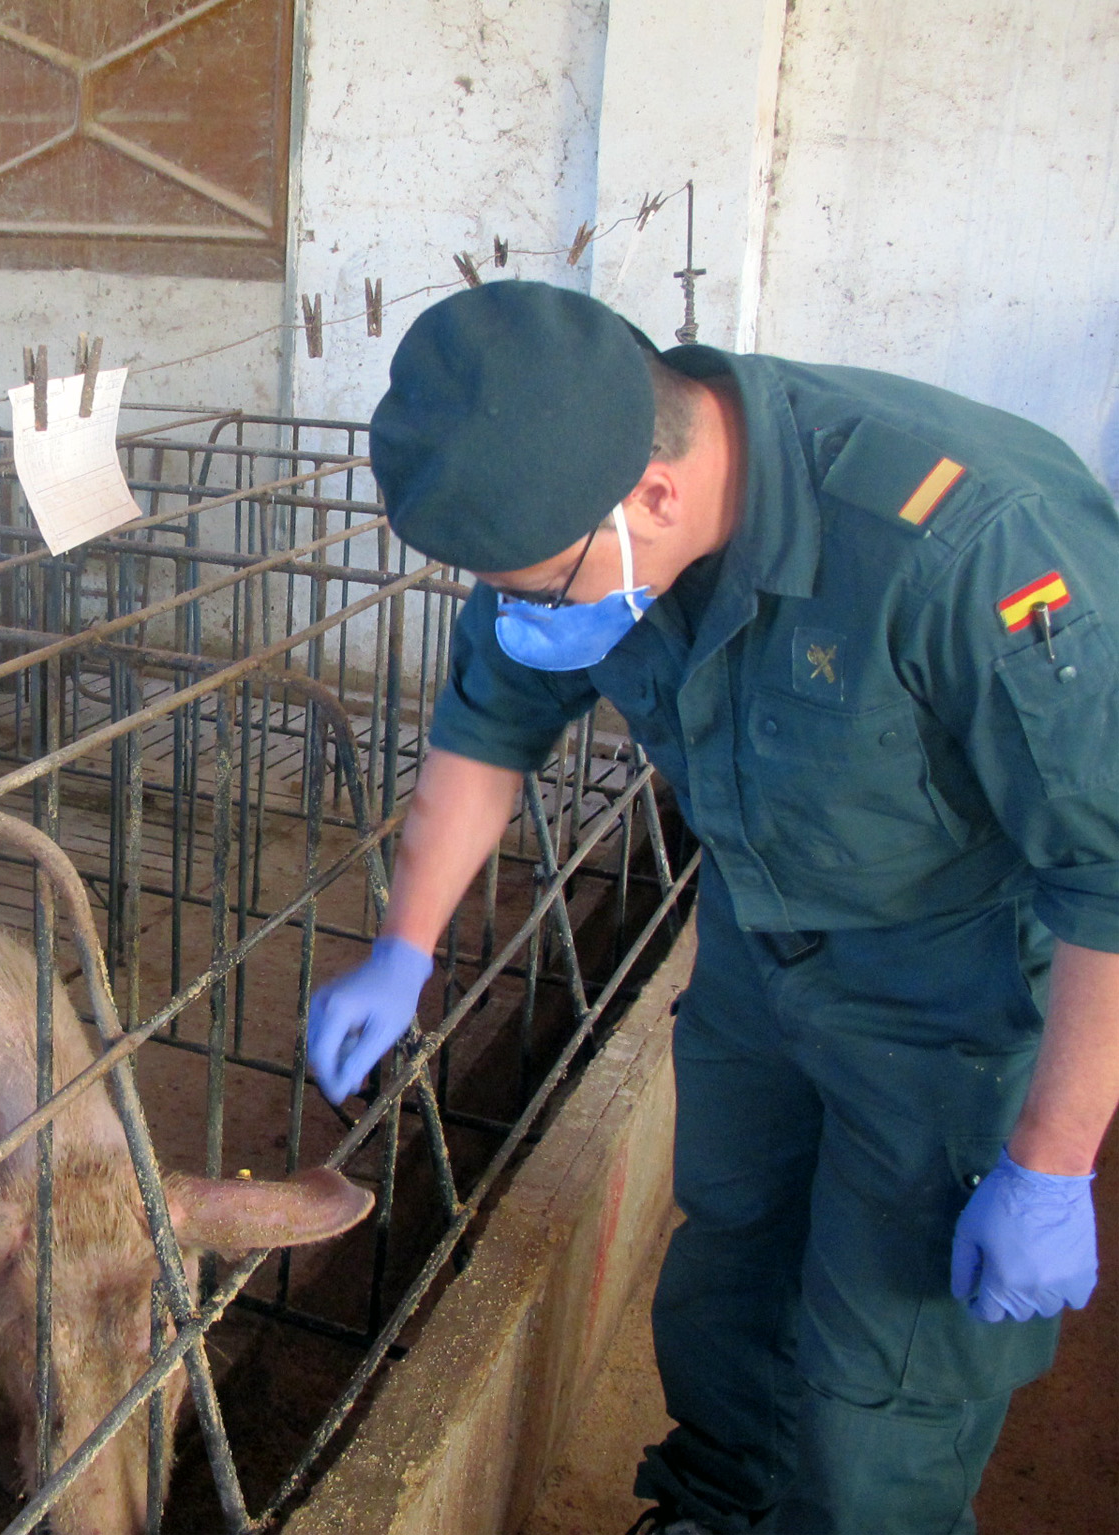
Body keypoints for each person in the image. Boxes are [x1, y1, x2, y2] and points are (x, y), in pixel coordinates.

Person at [306, 281, 1111, 1534]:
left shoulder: (967, 548)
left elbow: (1106, 869)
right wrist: (403, 945)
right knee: (727, 1262)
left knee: (882, 1375)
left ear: (655, 495)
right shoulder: (567, 491)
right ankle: (715, 1503)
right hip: (752, 941)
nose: (524, 611)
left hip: (945, 991)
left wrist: (1049, 1164)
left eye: (536, 585)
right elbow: (488, 718)